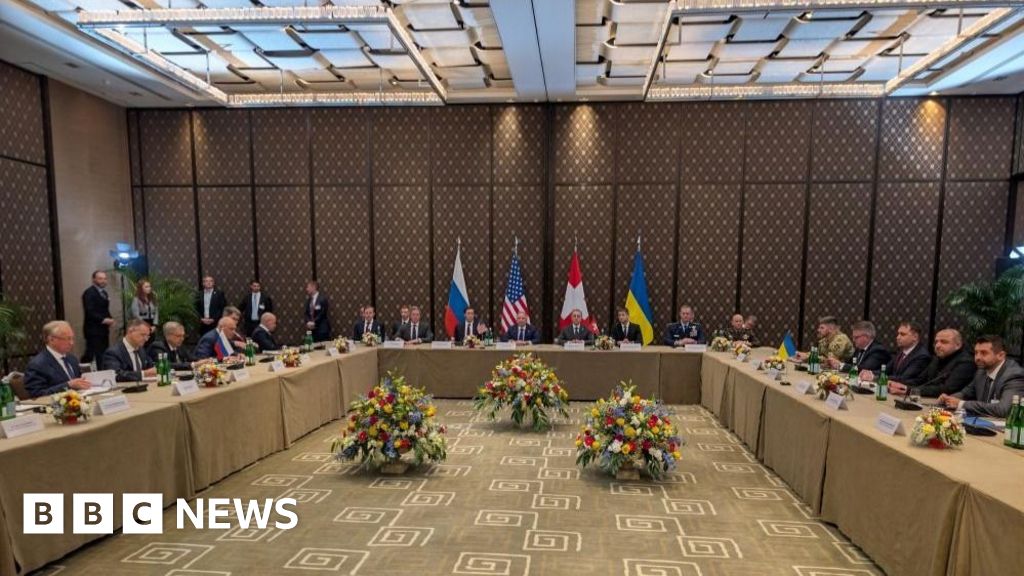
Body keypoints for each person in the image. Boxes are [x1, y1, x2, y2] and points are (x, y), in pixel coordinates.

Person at [939, 335, 1024, 418]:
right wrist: (949, 398)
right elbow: (965, 393)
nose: (977, 357)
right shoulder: (981, 372)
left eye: (984, 353)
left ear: (1000, 355)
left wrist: (961, 404)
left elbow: (1003, 410)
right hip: (983, 421)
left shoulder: (1014, 375)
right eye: (976, 353)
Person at [890, 328, 974, 398]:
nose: (937, 345)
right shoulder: (937, 358)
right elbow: (920, 380)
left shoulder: (966, 362)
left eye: (944, 342)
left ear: (958, 345)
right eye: (936, 342)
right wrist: (900, 385)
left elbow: (946, 389)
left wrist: (909, 390)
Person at [23, 321, 91, 397]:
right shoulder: (37, 365)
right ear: (51, 339)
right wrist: (68, 385)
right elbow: (36, 394)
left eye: (72, 338)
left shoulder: (72, 359)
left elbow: (78, 383)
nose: (71, 343)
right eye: (67, 339)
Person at [859, 321, 930, 384]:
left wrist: (875, 378)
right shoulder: (901, 352)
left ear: (915, 337)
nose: (897, 337)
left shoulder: (922, 356)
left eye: (902, 334)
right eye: (898, 334)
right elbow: (886, 370)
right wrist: (870, 373)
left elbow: (904, 378)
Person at [81, 270, 114, 364]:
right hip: (93, 329)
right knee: (91, 354)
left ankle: (102, 370)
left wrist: (110, 318)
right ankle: (82, 369)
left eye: (104, 279)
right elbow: (90, 311)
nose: (103, 281)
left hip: (103, 329)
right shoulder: (89, 293)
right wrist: (103, 320)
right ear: (93, 279)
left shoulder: (104, 293)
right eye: (100, 278)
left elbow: (105, 309)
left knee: (103, 354)